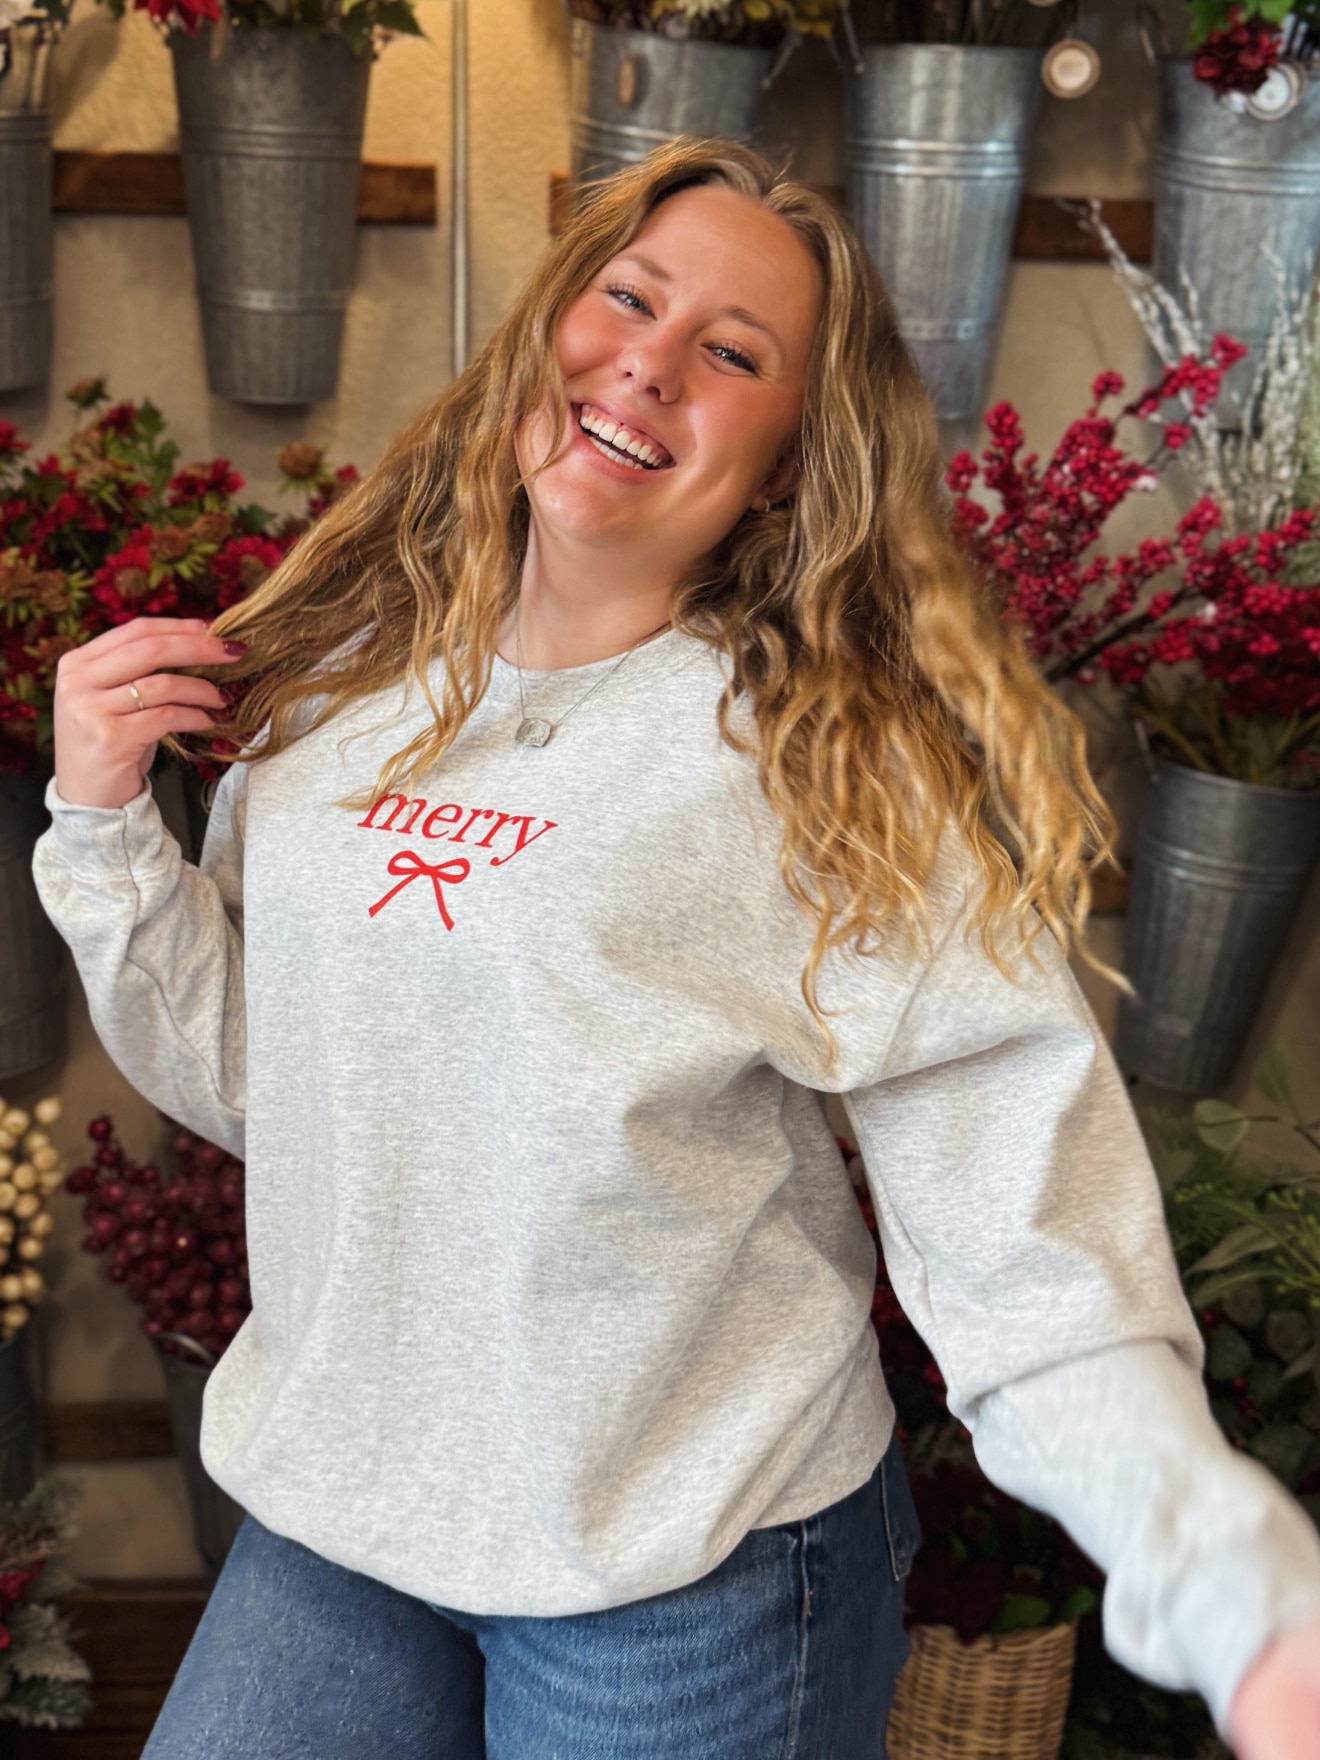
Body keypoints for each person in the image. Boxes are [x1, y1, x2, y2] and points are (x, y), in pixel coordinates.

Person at [33, 137, 1320, 1760]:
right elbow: (271, 1083)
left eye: (732, 352)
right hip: (351, 1498)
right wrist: (101, 835)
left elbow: (1021, 1228)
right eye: (628, 298)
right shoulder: (351, 684)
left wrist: (1234, 1586)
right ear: (548, 326)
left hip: (687, 1556)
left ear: (789, 459)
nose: (647, 360)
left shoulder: (827, 774)